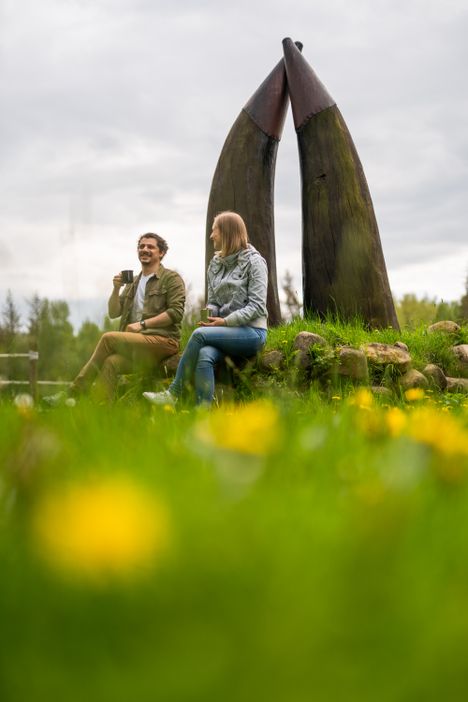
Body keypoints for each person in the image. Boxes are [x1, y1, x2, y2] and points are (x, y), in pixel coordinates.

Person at [143, 211, 267, 407]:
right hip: (224, 332)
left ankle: (174, 393)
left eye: (214, 231)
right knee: (204, 355)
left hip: (252, 332)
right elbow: (214, 301)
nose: (211, 236)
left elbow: (257, 306)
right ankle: (203, 412)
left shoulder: (255, 262)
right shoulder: (215, 264)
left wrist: (225, 322)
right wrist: (210, 313)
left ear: (226, 232)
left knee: (200, 335)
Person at [44, 232, 185, 404]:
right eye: (141, 246)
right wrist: (116, 289)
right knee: (111, 362)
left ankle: (73, 392)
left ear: (161, 253)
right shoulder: (133, 282)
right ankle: (102, 413)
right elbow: (113, 312)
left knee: (108, 338)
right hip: (138, 347)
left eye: (150, 246)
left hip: (164, 342)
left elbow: (176, 312)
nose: (145, 249)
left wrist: (142, 324)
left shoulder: (171, 279)